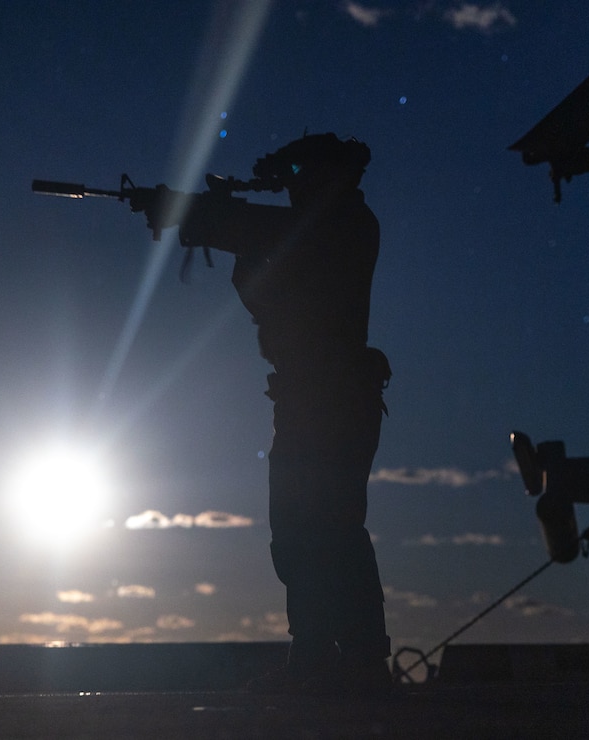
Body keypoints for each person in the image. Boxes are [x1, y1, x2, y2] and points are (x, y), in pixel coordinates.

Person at [167, 133, 393, 696]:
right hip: (303, 401)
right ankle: (316, 653)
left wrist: (223, 223)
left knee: (333, 529)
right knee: (295, 531)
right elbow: (261, 289)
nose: (295, 187)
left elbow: (286, 237)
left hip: (336, 401)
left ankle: (361, 659)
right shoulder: (308, 233)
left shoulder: (348, 225)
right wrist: (221, 228)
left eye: (303, 175)